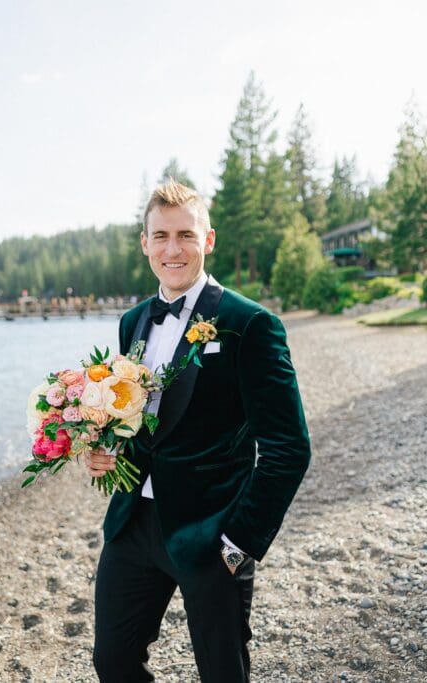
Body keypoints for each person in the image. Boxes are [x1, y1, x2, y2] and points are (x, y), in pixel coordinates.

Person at [87, 180, 311, 682]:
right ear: (144, 243)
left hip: (213, 532)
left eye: (185, 234)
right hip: (132, 525)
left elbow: (289, 448)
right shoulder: (132, 322)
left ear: (208, 240)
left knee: (222, 673)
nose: (173, 249)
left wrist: (238, 543)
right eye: (160, 235)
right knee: (114, 662)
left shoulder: (250, 324)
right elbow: (135, 420)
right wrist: (104, 450)